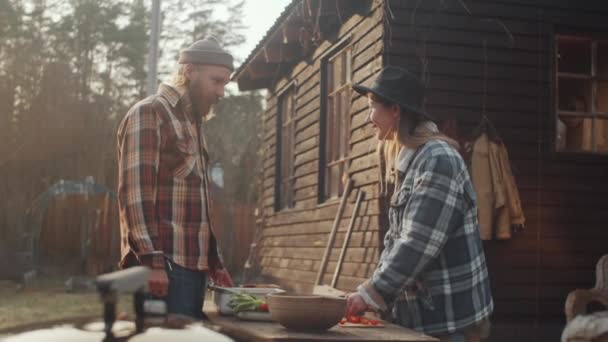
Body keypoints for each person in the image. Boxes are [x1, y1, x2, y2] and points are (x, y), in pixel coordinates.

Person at [346, 66, 494, 341]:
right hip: (425, 320)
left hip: (450, 324)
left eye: (372, 107)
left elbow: (417, 243)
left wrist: (370, 293)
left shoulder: (438, 159)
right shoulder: (413, 161)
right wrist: (369, 292)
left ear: (395, 111)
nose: (369, 118)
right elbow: (395, 242)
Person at [116, 37, 234, 319]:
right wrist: (152, 261)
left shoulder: (193, 123)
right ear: (189, 71)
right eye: (216, 81)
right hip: (164, 269)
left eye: (224, 84)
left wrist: (214, 260)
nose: (221, 92)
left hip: (193, 269)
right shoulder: (150, 112)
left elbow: (194, 202)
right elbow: (135, 194)